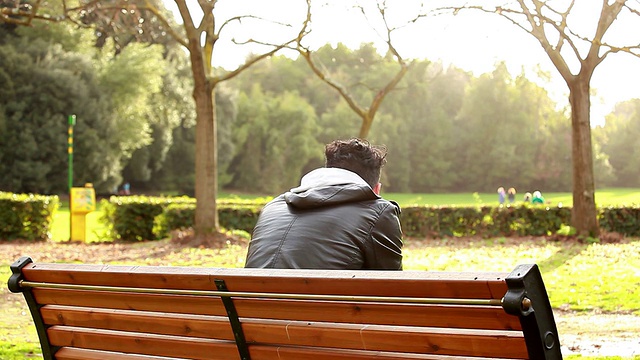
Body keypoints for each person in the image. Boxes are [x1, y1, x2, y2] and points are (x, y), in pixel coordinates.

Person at [244, 138, 403, 270]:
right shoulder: (379, 212)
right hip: (318, 308)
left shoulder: (273, 207)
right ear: (376, 190)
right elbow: (393, 290)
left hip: (247, 307)